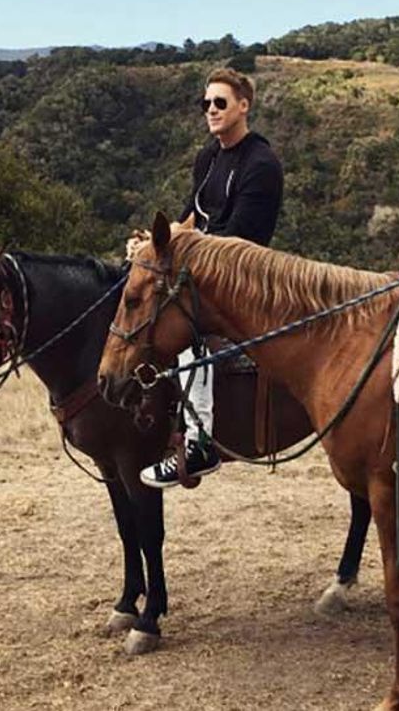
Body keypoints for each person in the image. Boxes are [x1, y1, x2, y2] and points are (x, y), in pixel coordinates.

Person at [137, 66, 284, 489]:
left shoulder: (261, 164)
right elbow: (189, 216)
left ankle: (200, 443)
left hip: (241, 271)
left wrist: (181, 245)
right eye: (206, 104)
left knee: (188, 333)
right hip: (199, 264)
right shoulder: (208, 157)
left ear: (244, 105)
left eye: (220, 102)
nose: (211, 110)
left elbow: (238, 238)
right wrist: (152, 245)